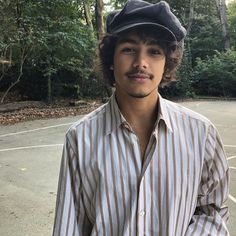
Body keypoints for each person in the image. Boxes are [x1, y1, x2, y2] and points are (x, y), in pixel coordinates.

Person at [53, 0, 230, 235]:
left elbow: (212, 210)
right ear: (111, 60)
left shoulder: (202, 134)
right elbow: (69, 224)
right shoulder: (80, 138)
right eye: (128, 49)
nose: (140, 63)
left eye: (154, 51)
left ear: (167, 62)